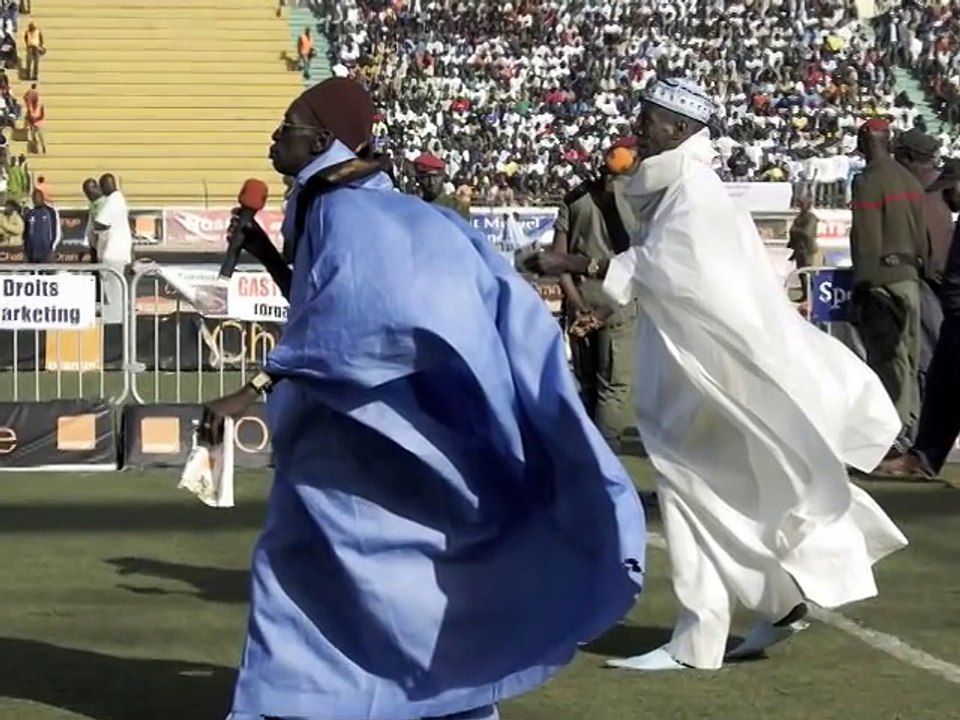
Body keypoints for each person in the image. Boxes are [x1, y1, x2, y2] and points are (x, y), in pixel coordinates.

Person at [199, 77, 646, 720]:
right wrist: (267, 249)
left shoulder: (348, 212)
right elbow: (321, 294)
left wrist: (252, 389)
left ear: (322, 140)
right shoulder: (338, 201)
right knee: (351, 577)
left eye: (287, 126)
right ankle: (427, 703)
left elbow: (349, 320)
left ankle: (309, 703)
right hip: (362, 431)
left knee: (316, 573)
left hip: (369, 435)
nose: (275, 137)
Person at [526, 77, 907, 672]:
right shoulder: (679, 189)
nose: (639, 126)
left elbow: (680, 273)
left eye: (650, 118)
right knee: (707, 493)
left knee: (698, 491)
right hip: (693, 365)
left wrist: (579, 261)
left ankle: (701, 637)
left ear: (680, 129)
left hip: (714, 374)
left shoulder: (694, 194)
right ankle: (769, 608)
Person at [551, 137, 641, 449]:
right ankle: (606, 459)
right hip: (616, 306)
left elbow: (558, 260)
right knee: (613, 388)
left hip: (578, 301)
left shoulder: (575, 199)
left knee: (587, 385)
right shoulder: (635, 201)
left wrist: (578, 308)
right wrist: (600, 313)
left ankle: (585, 456)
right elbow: (633, 263)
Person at [876, 159, 960, 484]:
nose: (947, 197)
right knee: (943, 387)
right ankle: (923, 457)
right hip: (954, 314)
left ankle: (923, 456)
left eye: (949, 189)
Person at [849, 119, 927, 453]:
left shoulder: (868, 181)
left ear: (866, 141)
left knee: (885, 360)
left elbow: (867, 237)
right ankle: (911, 427)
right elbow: (922, 235)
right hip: (910, 277)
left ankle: (894, 435)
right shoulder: (910, 180)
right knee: (909, 360)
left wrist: (861, 285)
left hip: (881, 279)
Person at [93, 173, 132, 324]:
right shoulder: (120, 199)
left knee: (111, 288)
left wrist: (96, 228)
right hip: (119, 250)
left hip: (111, 250)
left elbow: (101, 222)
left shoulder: (111, 201)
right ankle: (118, 317)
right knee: (117, 286)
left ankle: (113, 320)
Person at [413, 153, 471, 220]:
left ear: (443, 177)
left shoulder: (457, 208)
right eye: (426, 178)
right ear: (418, 180)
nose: (431, 182)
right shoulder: (414, 208)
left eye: (436, 177)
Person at [23, 187, 53, 262]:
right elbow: (26, 232)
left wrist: (52, 248)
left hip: (45, 250)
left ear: (42, 198)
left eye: (38, 197)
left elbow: (55, 231)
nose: (36, 199)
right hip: (31, 249)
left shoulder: (50, 212)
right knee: (32, 272)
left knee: (43, 271)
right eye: (34, 197)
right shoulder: (30, 213)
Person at [23, 81, 44, 154]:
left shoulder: (33, 106)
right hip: (36, 121)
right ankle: (39, 147)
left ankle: (39, 148)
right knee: (36, 134)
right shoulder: (35, 105)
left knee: (35, 135)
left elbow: (25, 97)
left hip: (35, 121)